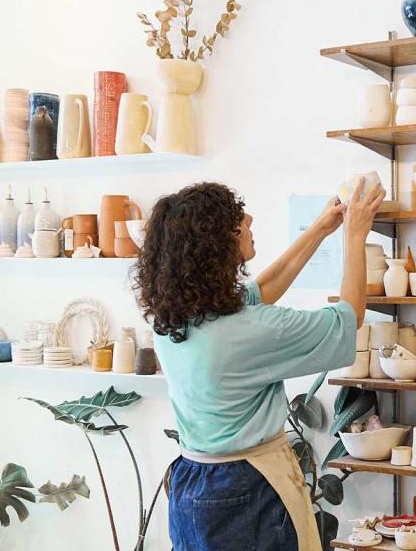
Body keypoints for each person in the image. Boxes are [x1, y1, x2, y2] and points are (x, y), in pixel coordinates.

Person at [132, 179, 384, 551]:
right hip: (246, 486)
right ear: (218, 244)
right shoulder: (249, 332)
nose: (248, 219)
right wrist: (355, 236)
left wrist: (320, 230)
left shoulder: (174, 316)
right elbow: (349, 317)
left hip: (192, 481)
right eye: (238, 220)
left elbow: (261, 290)